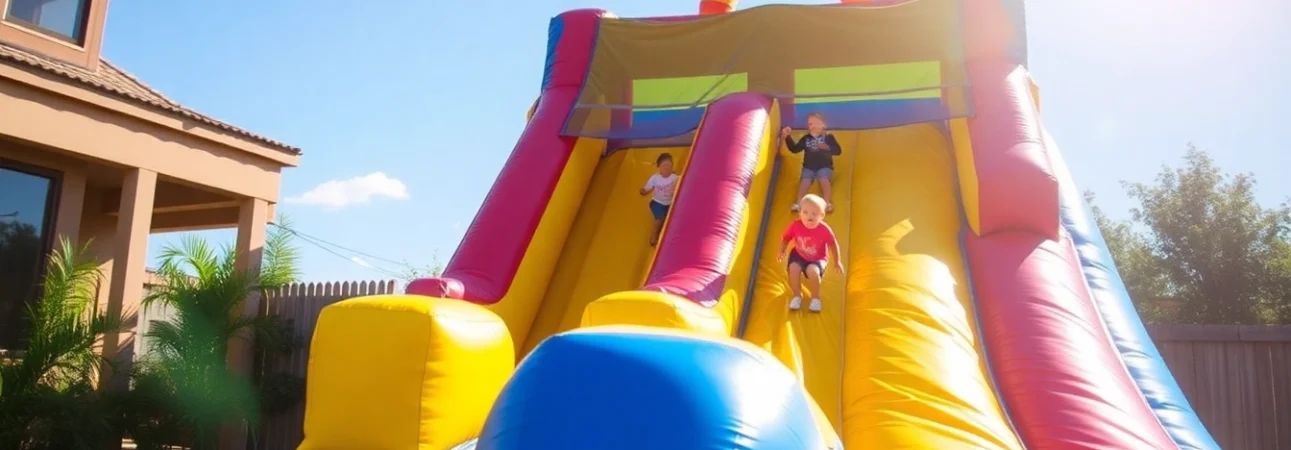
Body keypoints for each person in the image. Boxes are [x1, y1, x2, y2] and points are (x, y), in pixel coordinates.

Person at [777, 194, 843, 312]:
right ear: (800, 213)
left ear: (822, 216)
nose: (809, 217)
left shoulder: (824, 229)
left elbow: (833, 244)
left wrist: (837, 261)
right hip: (799, 254)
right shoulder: (796, 225)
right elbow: (785, 238)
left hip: (818, 258)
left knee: (812, 271)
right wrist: (782, 250)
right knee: (793, 268)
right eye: (805, 212)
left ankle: (815, 298)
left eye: (814, 214)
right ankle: (797, 295)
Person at [781, 112, 842, 214]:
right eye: (809, 124)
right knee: (805, 181)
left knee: (823, 178)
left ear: (824, 125)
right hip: (808, 167)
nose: (812, 125)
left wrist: (827, 147)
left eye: (815, 122)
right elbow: (795, 149)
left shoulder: (829, 137)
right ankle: (799, 202)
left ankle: (827, 202)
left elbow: (838, 151)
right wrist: (788, 137)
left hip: (824, 166)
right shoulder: (806, 139)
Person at [640, 152, 678, 246]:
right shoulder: (655, 178)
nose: (666, 168)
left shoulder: (675, 178)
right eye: (664, 165)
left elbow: (682, 181)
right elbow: (648, 188)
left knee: (671, 218)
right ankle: (654, 237)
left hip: (669, 203)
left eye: (669, 165)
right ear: (659, 167)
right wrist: (644, 191)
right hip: (657, 203)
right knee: (660, 218)